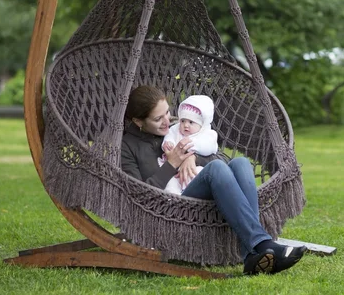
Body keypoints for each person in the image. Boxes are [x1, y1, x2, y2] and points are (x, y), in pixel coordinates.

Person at [121, 85, 306, 275]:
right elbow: (138, 196)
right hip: (171, 204)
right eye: (158, 118)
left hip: (199, 188)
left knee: (241, 163)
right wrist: (172, 164)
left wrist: (193, 157)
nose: (167, 121)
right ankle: (264, 243)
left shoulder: (179, 127)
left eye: (167, 112)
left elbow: (220, 157)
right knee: (216, 169)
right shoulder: (128, 147)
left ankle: (251, 255)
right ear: (138, 121)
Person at [159, 95, 218, 195]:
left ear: (202, 124)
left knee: (197, 174)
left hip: (194, 167)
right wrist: (168, 143)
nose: (185, 125)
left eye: (191, 122)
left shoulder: (207, 134)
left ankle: (189, 194)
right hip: (173, 170)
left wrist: (191, 147)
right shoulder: (176, 129)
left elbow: (210, 147)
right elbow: (170, 135)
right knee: (170, 184)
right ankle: (174, 199)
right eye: (183, 121)